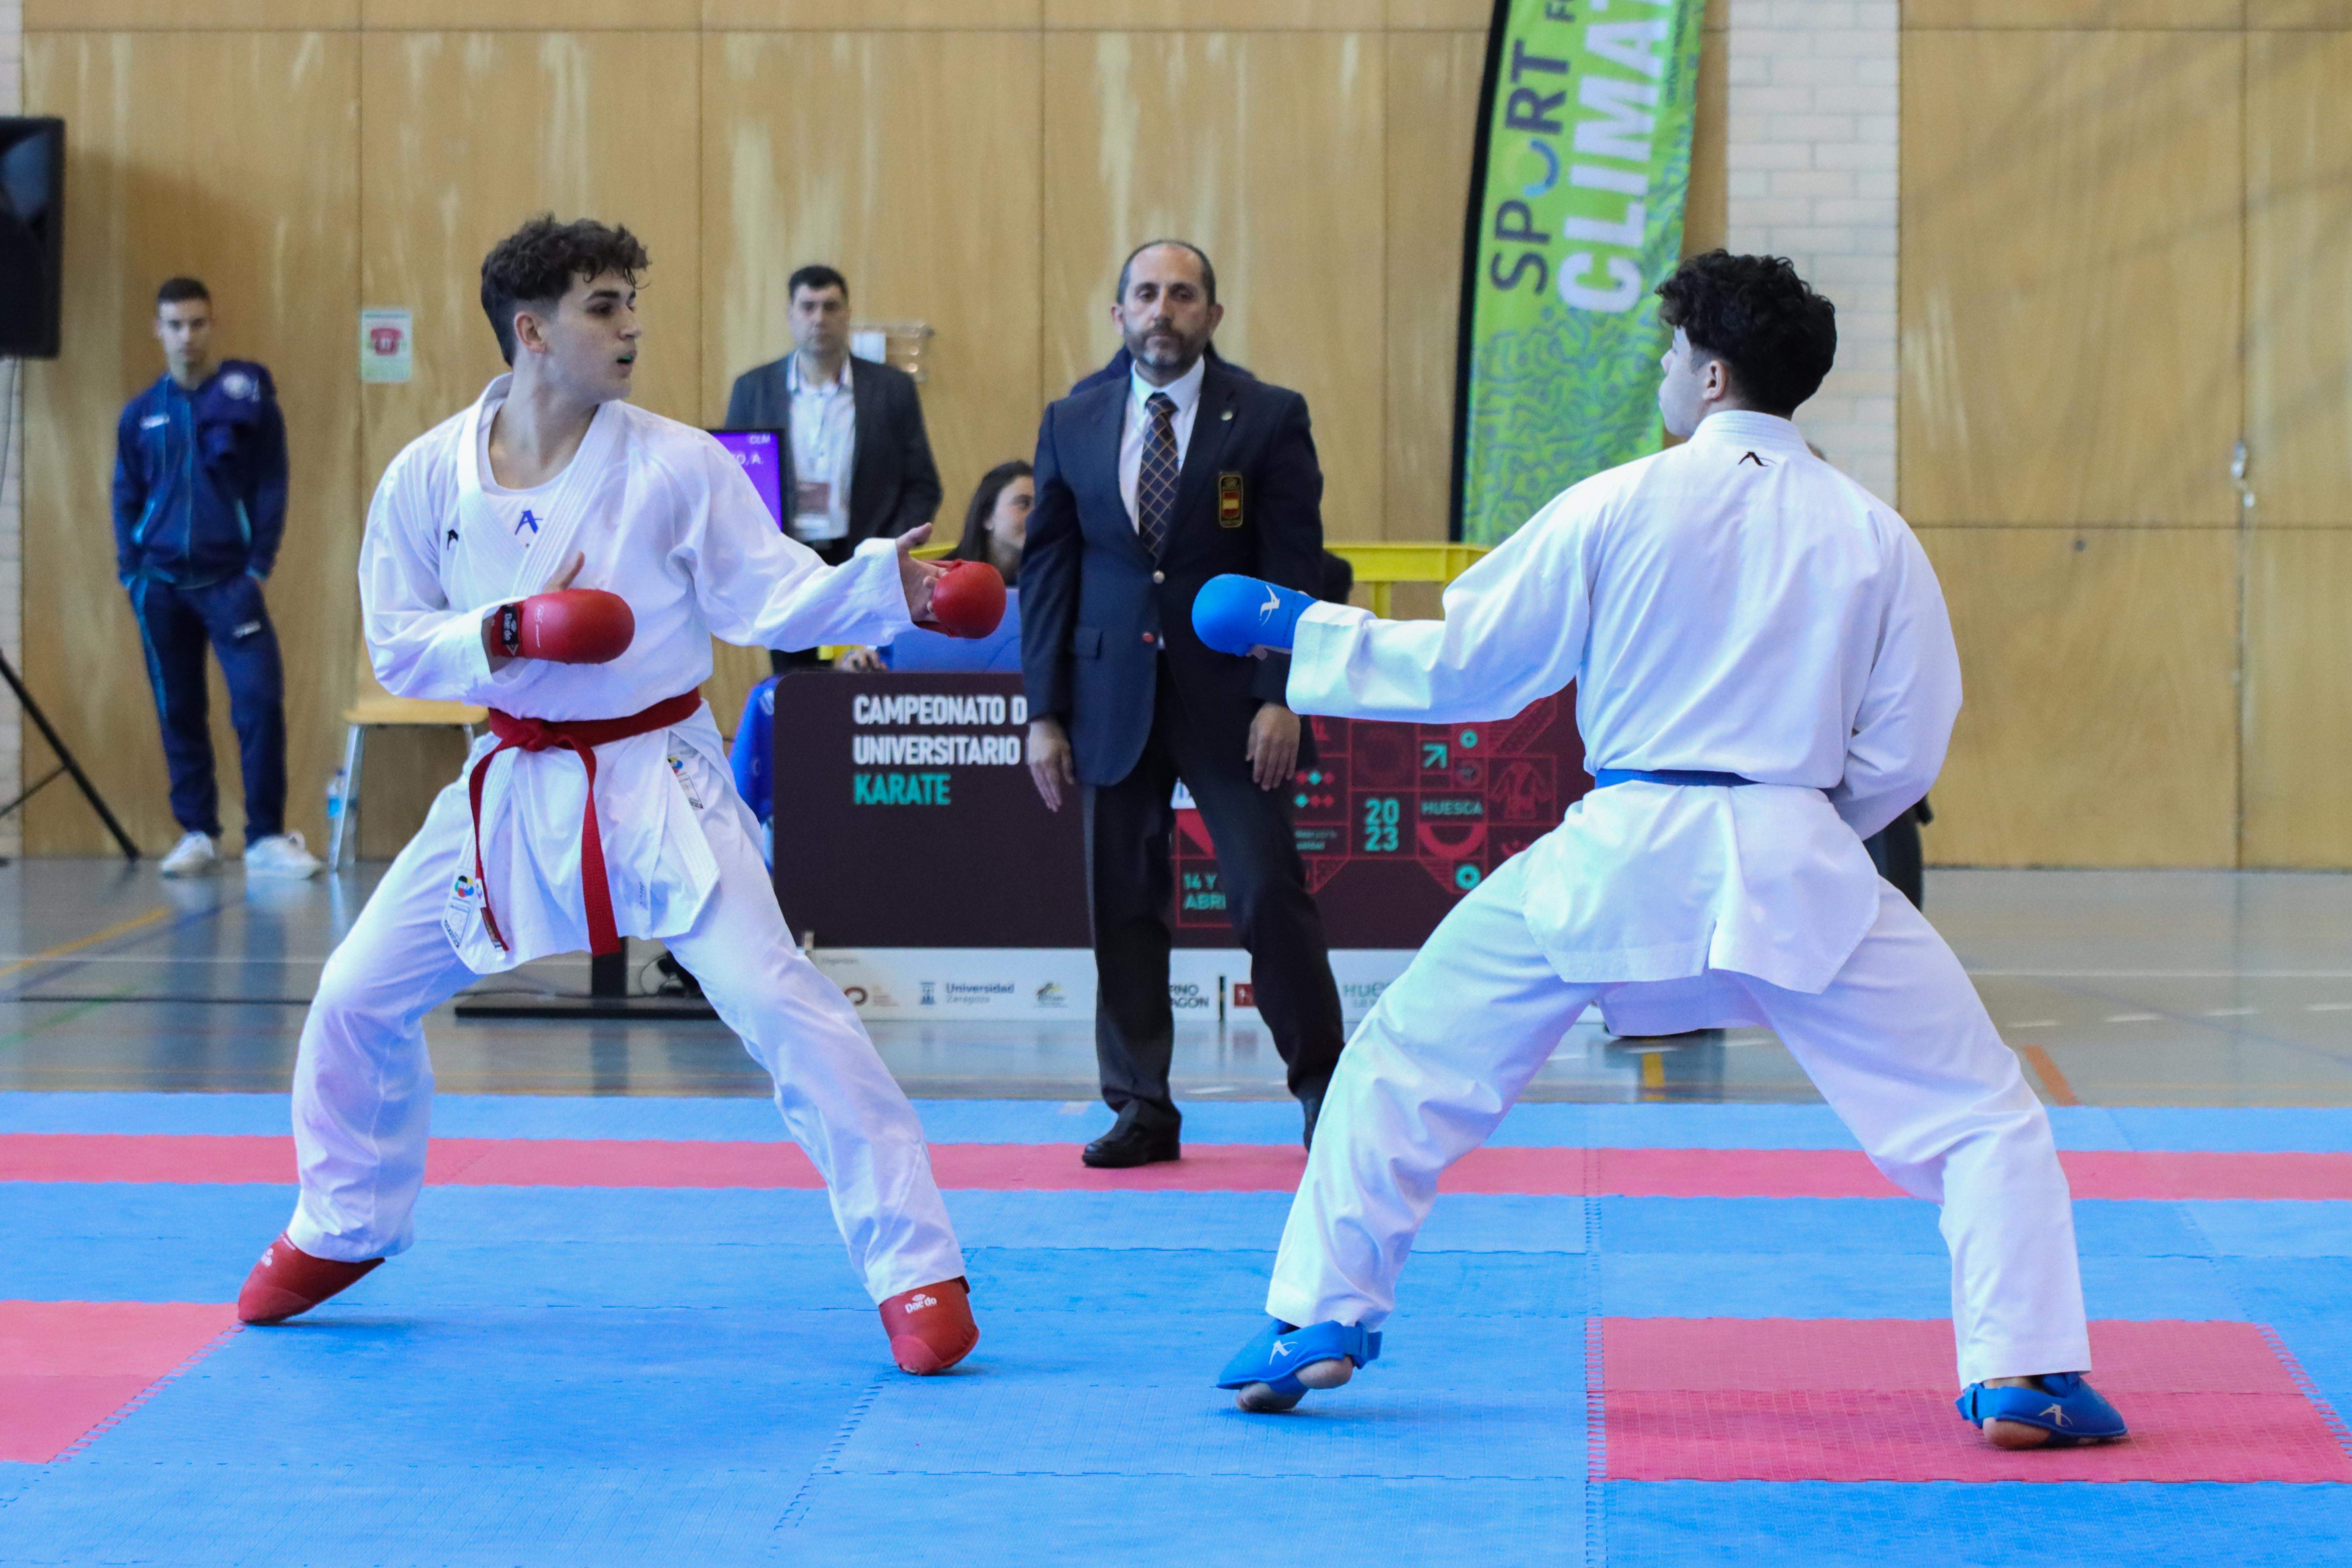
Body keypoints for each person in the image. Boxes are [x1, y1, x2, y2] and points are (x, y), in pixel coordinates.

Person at [1201, 252, 2125, 1453]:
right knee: (1981, 1118)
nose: (1664, 374)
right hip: (1800, 861)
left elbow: (1465, 667)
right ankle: (2028, 1373)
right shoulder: (1874, 533)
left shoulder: (1616, 502)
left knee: (1402, 1062)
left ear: (1713, 370)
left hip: (1616, 854)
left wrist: (1298, 630)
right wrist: (1802, 827)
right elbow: (1907, 745)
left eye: (1671, 354)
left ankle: (1311, 1322)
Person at [233, 215, 979, 1378]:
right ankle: (345, 1224)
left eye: (632, 301)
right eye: (602, 306)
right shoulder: (427, 474)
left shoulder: (679, 464)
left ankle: (916, 1266)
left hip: (661, 775)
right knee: (351, 996)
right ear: (532, 332)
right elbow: (398, 649)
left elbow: (771, 599)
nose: (630, 326)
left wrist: (896, 593)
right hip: (511, 776)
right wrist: (512, 627)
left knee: (786, 1010)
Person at [1020, 240, 1345, 1168]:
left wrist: (1281, 694)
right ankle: (1139, 1107)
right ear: (1116, 311)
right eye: (1145, 294)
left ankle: (1322, 1085)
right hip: (1105, 695)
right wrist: (1042, 711)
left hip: (1234, 704)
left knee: (1264, 891)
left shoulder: (1268, 417)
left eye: (1182, 294)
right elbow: (1047, 571)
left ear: (1211, 311)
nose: (1162, 310)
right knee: (1119, 907)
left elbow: (1296, 567)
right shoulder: (1070, 420)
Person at [111, 277, 320, 879]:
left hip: (231, 584)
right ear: (159, 330)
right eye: (175, 324)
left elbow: (273, 483)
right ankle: (197, 832)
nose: (187, 336)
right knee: (178, 707)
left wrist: (258, 564)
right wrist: (132, 573)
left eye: (198, 323)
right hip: (160, 587)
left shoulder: (247, 401)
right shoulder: (141, 415)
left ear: (213, 325)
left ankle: (265, 838)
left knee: (257, 702)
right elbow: (125, 495)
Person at [723, 264, 943, 673]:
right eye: (807, 307)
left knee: (862, 685)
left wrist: (886, 552)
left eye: (830, 307)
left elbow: (922, 485)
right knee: (796, 688)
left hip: (863, 559)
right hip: (786, 561)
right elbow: (732, 483)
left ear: (847, 314)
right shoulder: (752, 389)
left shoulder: (891, 388)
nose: (819, 318)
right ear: (790, 315)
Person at [836, 460, 1031, 676]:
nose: (1038, 513)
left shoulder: (1057, 588)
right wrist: (860, 662)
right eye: (1023, 504)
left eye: (1044, 504)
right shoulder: (929, 581)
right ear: (988, 516)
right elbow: (868, 651)